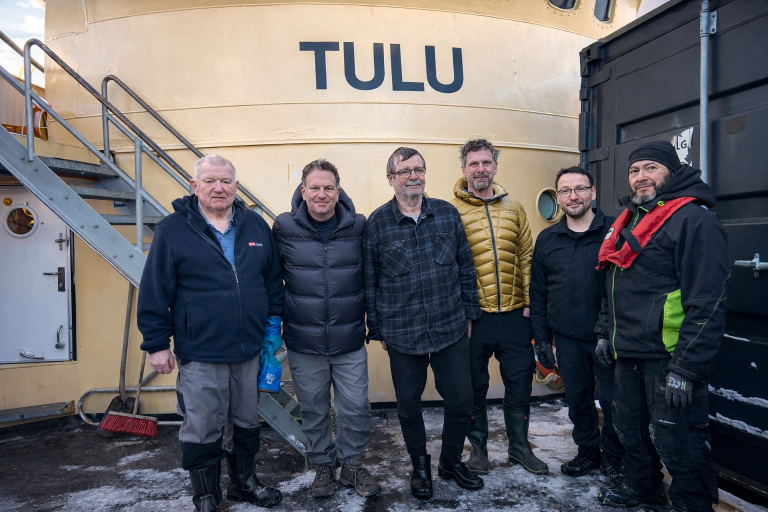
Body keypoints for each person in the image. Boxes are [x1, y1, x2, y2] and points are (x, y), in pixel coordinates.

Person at [137, 155, 284, 512]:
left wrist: (273, 326)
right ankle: (206, 494)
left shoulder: (256, 226)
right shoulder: (173, 229)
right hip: (201, 350)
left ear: (236, 186)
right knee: (202, 426)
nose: (218, 188)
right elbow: (155, 290)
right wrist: (157, 344)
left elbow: (272, 282)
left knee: (246, 422)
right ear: (194, 186)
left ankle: (243, 484)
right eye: (209, 181)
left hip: (249, 349)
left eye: (226, 181)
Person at [594, 141, 729, 512]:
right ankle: (644, 488)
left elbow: (709, 300)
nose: (641, 177)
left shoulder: (692, 219)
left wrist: (686, 368)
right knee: (631, 431)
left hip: (668, 357)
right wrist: (606, 332)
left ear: (671, 172)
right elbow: (613, 282)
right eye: (634, 171)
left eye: (650, 168)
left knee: (676, 439)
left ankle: (692, 504)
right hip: (628, 353)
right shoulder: (632, 218)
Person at [363, 146, 483, 499]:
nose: (414, 176)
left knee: (462, 400)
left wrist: (470, 313)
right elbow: (371, 280)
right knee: (409, 405)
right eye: (405, 171)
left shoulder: (446, 214)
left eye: (419, 169)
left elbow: (465, 266)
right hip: (403, 332)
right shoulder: (378, 223)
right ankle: (420, 469)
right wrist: (378, 328)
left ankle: (450, 461)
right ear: (391, 179)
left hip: (450, 326)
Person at [272, 159, 379, 499]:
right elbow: (272, 279)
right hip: (304, 342)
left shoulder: (358, 226)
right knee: (315, 411)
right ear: (303, 191)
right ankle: (323, 467)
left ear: (338, 191)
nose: (322, 194)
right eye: (314, 187)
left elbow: (373, 277)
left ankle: (350, 466)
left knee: (355, 409)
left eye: (328, 187)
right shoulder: (284, 227)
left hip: (348, 341)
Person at [450, 138, 548, 476]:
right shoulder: (451, 211)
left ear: (495, 166)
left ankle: (519, 447)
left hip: (514, 315)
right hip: (474, 318)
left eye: (486, 163)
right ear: (464, 169)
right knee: (473, 384)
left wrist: (529, 303)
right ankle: (478, 449)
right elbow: (449, 265)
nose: (480, 169)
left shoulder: (515, 208)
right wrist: (461, 311)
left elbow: (525, 257)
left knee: (519, 381)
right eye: (474, 164)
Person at [529, 166, 624, 482]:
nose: (573, 196)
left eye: (580, 189)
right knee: (578, 401)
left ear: (593, 192)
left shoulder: (615, 231)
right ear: (558, 197)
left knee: (613, 404)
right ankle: (588, 453)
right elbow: (538, 293)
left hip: (608, 339)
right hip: (567, 339)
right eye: (566, 190)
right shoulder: (547, 239)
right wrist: (542, 340)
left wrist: (614, 333)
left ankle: (614, 457)